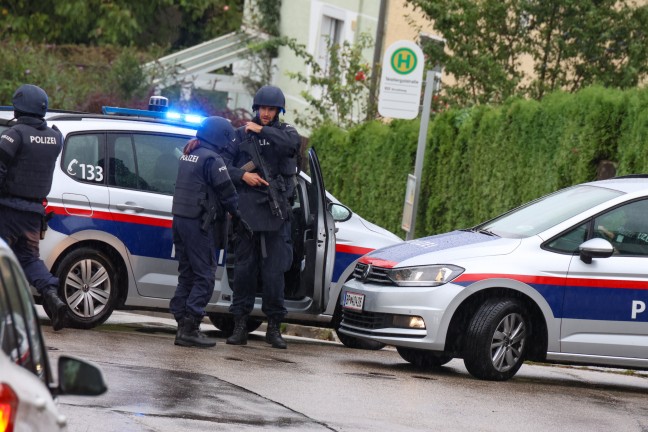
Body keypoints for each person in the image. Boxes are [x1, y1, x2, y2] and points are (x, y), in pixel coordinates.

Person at [222, 85, 301, 349]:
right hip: (247, 213)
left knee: (274, 272)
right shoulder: (240, 135)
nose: (266, 113)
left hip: (276, 213)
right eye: (263, 109)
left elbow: (292, 144)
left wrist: (262, 130)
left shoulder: (285, 132)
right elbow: (223, 164)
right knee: (245, 270)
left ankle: (274, 328)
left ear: (279, 111)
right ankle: (240, 325)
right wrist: (243, 175)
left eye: (271, 109)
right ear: (256, 108)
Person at [170, 116, 242, 348]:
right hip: (199, 223)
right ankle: (190, 327)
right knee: (205, 275)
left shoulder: (189, 153)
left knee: (188, 273)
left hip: (181, 220)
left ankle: (182, 323)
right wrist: (239, 214)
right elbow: (227, 192)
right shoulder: (212, 159)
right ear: (219, 137)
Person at [0, 84, 67, 331]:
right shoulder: (55, 138)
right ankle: (51, 295)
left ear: (19, 107)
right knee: (29, 258)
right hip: (33, 213)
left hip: (6, 210)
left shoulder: (13, 134)